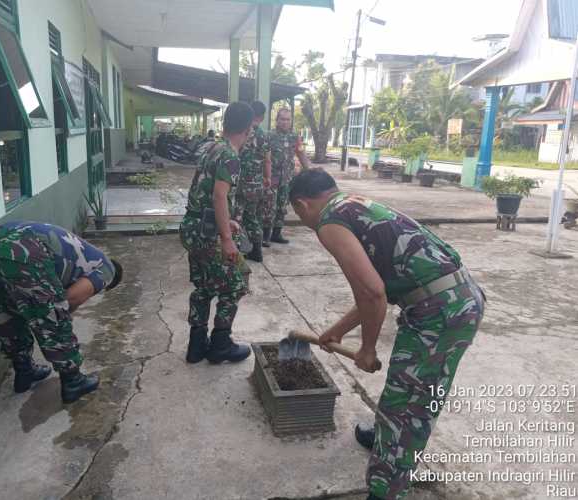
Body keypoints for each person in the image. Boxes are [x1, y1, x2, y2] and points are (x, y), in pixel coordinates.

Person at [288, 169, 486, 500]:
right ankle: (385, 439)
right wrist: (336, 331)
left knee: (405, 408)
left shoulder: (328, 221)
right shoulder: (354, 205)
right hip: (457, 299)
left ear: (301, 205)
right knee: (411, 391)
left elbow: (373, 294)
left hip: (439, 313)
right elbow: (374, 291)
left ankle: (386, 490)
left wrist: (366, 349)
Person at [0, 221, 123, 404]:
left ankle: (24, 371)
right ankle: (73, 380)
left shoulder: (87, 252)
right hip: (23, 247)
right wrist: (61, 318)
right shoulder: (107, 269)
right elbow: (71, 300)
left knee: (5, 308)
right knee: (53, 314)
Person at [179, 102, 254, 365]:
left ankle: (196, 345)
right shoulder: (230, 156)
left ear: (224, 124)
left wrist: (227, 222)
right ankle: (221, 343)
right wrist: (226, 239)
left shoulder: (209, 147)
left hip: (193, 227)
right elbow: (219, 195)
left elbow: (204, 192)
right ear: (248, 129)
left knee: (203, 286)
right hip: (209, 234)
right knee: (237, 281)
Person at [262, 108, 310, 246]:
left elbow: (301, 154)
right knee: (268, 206)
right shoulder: (268, 136)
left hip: (286, 179)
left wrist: (309, 170)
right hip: (271, 178)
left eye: (288, 119)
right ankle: (265, 236)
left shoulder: (295, 137)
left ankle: (276, 234)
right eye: (282, 119)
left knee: (282, 206)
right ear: (277, 120)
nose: (285, 122)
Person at [233, 100, 272, 263]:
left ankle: (234, 249)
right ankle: (257, 251)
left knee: (236, 215)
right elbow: (268, 160)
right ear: (262, 117)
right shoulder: (264, 136)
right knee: (252, 216)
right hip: (256, 184)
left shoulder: (244, 131)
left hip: (240, 182)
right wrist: (267, 178)